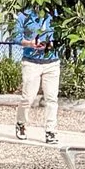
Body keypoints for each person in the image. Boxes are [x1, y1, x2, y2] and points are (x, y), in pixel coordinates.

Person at [11, 11, 61, 144]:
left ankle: (51, 130)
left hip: (52, 62)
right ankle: (21, 123)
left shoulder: (57, 15)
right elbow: (15, 36)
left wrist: (51, 44)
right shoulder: (25, 16)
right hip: (31, 62)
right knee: (28, 98)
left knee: (51, 98)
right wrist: (30, 43)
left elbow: (64, 36)